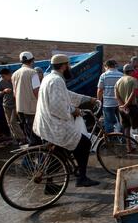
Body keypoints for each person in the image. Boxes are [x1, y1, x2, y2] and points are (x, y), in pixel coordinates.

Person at [33, 54, 100, 189]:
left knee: (60, 151)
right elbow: (58, 106)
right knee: (85, 143)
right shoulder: (56, 80)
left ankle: (49, 185)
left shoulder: (49, 78)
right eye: (68, 65)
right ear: (64, 66)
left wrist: (88, 99)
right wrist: (74, 110)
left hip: (46, 122)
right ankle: (82, 178)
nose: (69, 68)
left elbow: (67, 95)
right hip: (55, 124)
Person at [115, 64, 138, 154]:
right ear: (131, 71)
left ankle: (129, 148)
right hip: (132, 107)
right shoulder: (133, 80)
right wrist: (127, 105)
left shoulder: (118, 81)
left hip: (121, 108)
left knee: (126, 128)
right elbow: (134, 94)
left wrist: (123, 106)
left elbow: (116, 96)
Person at [12, 51, 41, 146]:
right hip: (31, 108)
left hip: (20, 108)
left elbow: (15, 93)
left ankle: (30, 156)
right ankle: (33, 157)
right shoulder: (33, 73)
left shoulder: (15, 74)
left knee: (28, 133)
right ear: (32, 60)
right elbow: (36, 91)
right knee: (36, 135)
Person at [0, 69, 25, 144]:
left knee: (13, 122)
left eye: (3, 76)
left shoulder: (15, 80)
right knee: (9, 123)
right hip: (6, 105)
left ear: (9, 74)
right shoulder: (2, 82)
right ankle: (15, 138)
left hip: (15, 105)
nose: (2, 78)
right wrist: (4, 91)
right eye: (1, 77)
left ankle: (22, 138)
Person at [97, 60, 123, 134]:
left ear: (107, 66)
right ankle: (122, 139)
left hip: (108, 104)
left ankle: (110, 140)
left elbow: (100, 90)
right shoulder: (121, 75)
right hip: (120, 103)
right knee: (120, 122)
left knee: (108, 123)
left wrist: (98, 101)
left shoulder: (104, 75)